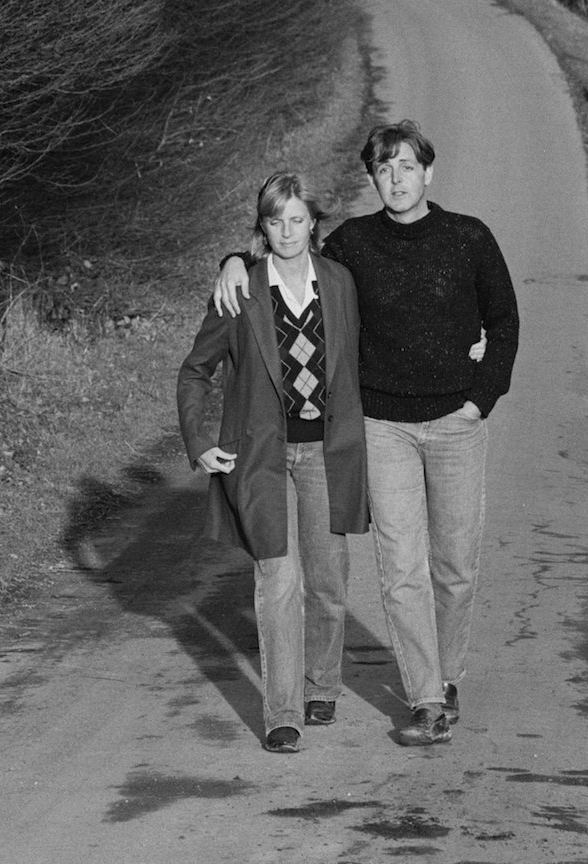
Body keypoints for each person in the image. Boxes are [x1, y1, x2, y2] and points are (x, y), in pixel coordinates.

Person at [214, 120, 519, 746]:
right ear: (373, 179)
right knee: (401, 568)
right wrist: (232, 262)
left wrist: (478, 400)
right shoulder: (353, 242)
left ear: (427, 173)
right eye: (384, 170)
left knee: (454, 567)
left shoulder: (469, 238)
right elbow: (290, 263)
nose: (396, 179)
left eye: (407, 166)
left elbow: (505, 322)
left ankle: (447, 671)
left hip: (456, 425)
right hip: (382, 427)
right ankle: (427, 698)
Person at [178, 172, 369, 754]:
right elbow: (195, 370)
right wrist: (197, 441)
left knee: (328, 581)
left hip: (327, 453)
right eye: (274, 220)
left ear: (314, 222)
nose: (287, 232)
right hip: (261, 456)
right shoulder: (241, 291)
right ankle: (283, 711)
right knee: (278, 580)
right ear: (261, 228)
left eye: (296, 219)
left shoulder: (340, 283)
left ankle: (322, 684)